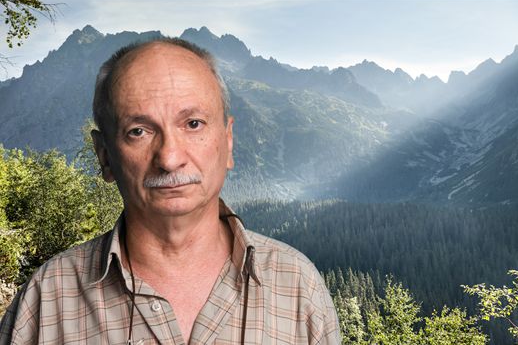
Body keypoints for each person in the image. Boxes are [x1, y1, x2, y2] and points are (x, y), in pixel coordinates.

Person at [0, 38, 340, 344]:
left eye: (193, 124)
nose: (170, 158)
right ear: (104, 155)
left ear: (228, 140)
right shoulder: (46, 301)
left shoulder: (299, 288)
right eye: (139, 131)